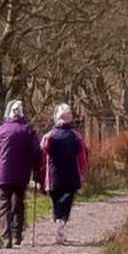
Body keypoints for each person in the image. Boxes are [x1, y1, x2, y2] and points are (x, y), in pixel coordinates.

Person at [0, 99, 41, 249]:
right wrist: (36, 168)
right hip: (22, 173)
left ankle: (6, 236)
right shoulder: (28, 130)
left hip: (2, 173)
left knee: (3, 204)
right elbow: (36, 151)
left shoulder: (0, 131)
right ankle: (17, 234)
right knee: (18, 202)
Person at [40, 104, 90, 245]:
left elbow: (42, 156)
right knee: (66, 202)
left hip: (53, 176)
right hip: (72, 175)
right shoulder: (76, 136)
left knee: (56, 202)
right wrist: (83, 169)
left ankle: (58, 223)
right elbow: (83, 154)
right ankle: (61, 223)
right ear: (69, 118)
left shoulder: (49, 136)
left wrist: (40, 173)